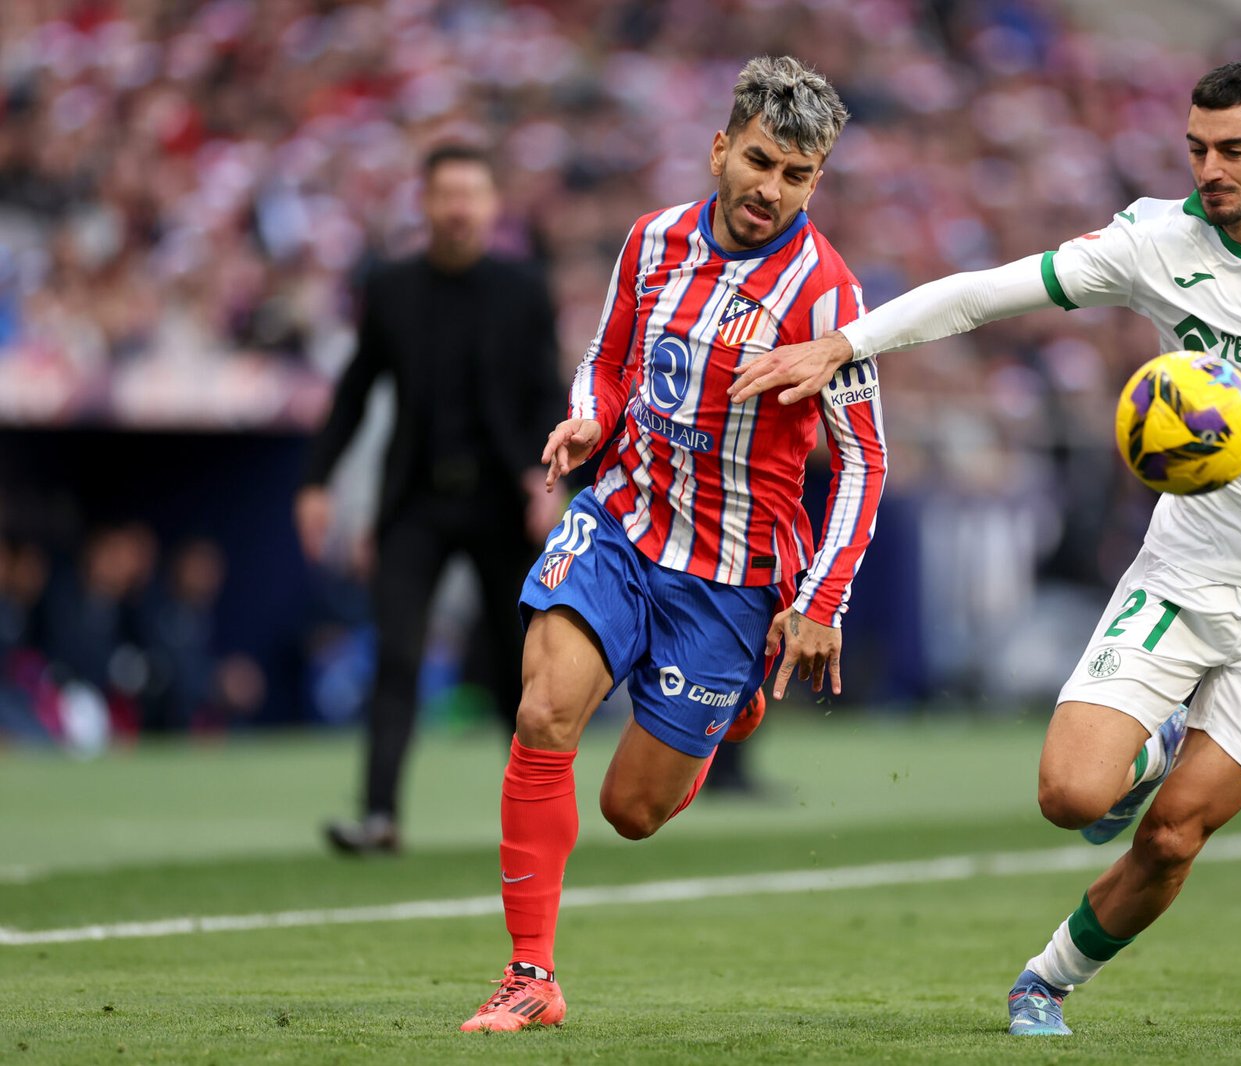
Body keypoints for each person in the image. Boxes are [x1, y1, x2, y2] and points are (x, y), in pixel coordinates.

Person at [730, 59, 1241, 1036]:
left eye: (1233, 150)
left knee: (1174, 835)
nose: (1210, 168)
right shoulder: (1155, 240)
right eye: (1196, 149)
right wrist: (846, 344)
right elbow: (984, 294)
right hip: (1186, 570)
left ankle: (1043, 981)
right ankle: (1159, 741)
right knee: (1070, 793)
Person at [458, 55, 886, 1033]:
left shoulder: (828, 299)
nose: (772, 190)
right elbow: (608, 363)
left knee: (631, 811)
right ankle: (530, 975)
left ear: (817, 181)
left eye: (798, 175)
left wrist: (819, 601)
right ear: (720, 148)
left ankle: (724, 710)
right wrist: (583, 421)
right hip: (618, 520)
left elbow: (863, 461)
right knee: (542, 712)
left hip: (730, 580)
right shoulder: (653, 241)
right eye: (761, 162)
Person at [296, 143, 566, 855]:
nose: (457, 208)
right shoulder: (390, 289)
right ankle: (379, 817)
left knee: (524, 663)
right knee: (397, 656)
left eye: (470, 194)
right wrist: (317, 482)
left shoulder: (522, 290)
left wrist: (549, 480)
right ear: (424, 203)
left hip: (502, 504)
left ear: (491, 205)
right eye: (445, 194)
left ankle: (537, 827)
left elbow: (548, 392)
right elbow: (356, 391)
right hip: (414, 502)